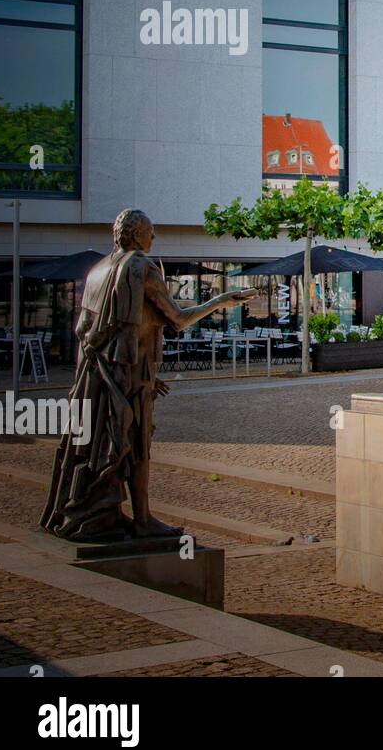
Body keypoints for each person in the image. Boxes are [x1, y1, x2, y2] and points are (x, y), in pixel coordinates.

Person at [41, 209, 256, 541]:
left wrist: (106, 357)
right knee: (137, 444)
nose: (153, 238)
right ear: (136, 234)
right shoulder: (142, 268)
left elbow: (82, 328)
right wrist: (220, 301)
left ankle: (103, 512)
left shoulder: (98, 270)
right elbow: (178, 319)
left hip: (99, 374)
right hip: (131, 374)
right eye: (151, 232)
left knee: (106, 442)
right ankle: (142, 519)